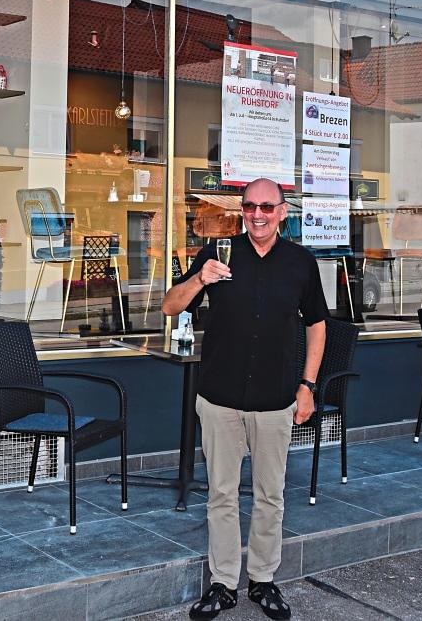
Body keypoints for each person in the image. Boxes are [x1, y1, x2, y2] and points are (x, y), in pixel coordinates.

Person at [162, 178, 327, 621]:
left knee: (271, 495)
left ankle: (263, 580)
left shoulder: (300, 263)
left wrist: (307, 385)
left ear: (283, 211)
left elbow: (316, 324)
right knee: (221, 494)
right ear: (241, 210)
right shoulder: (217, 253)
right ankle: (222, 583)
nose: (258, 214)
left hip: (276, 400)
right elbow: (169, 307)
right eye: (251, 206)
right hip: (220, 398)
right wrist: (200, 277)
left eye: (267, 207)